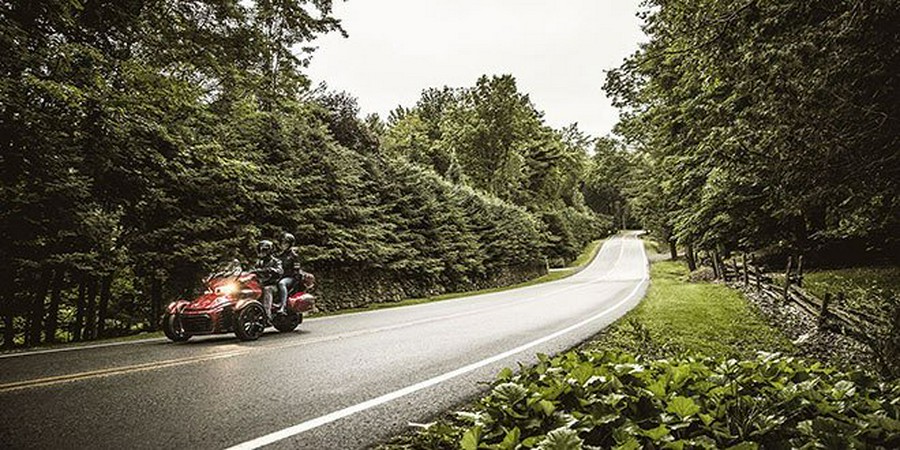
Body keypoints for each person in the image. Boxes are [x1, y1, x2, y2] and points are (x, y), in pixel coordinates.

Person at [251, 240, 282, 321]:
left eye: (264, 250)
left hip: (273, 285)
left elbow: (280, 271)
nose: (262, 252)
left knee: (267, 289)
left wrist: (271, 269)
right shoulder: (259, 262)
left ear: (270, 250)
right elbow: (253, 270)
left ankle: (267, 315)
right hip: (261, 284)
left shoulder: (276, 261)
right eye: (260, 250)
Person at [275, 232, 303, 315]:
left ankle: (283, 306)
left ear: (290, 244)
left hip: (290, 278)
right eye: (282, 242)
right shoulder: (280, 255)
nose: (283, 245)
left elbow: (297, 270)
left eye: (285, 243)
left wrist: (295, 276)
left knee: (281, 283)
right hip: (280, 276)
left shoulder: (294, 256)